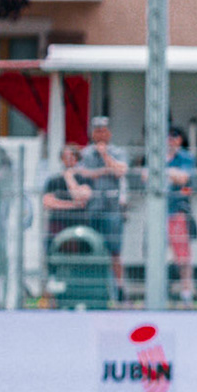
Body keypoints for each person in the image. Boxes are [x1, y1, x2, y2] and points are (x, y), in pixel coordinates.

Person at [77, 115, 129, 302]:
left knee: (115, 252)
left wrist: (105, 155)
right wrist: (105, 170)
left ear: (109, 133)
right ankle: (95, 290)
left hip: (113, 208)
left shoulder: (118, 151)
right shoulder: (85, 153)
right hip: (93, 208)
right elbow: (82, 173)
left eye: (103, 130)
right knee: (92, 250)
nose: (100, 133)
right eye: (96, 130)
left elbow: (121, 171)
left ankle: (119, 291)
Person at [163, 126, 197, 303]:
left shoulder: (185, 157)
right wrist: (171, 174)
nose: (171, 140)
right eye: (168, 136)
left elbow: (183, 178)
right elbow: (146, 176)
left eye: (175, 137)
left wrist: (164, 172)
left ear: (180, 139)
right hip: (158, 212)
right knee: (157, 254)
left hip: (177, 211)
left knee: (183, 256)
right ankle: (159, 292)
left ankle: (186, 293)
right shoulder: (157, 154)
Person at [40, 143, 94, 244]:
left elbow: (80, 197)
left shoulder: (85, 179)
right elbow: (47, 203)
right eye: (66, 156)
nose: (69, 159)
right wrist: (74, 205)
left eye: (72, 156)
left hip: (79, 224)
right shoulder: (53, 181)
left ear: (77, 158)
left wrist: (69, 177)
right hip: (58, 224)